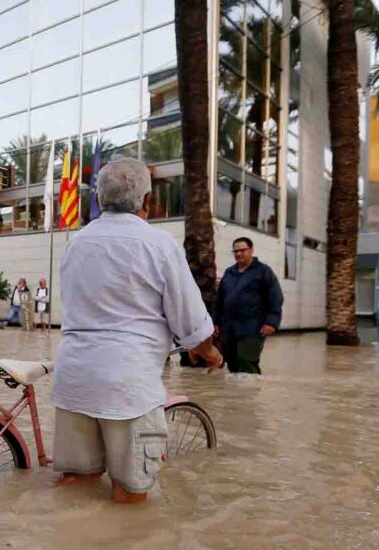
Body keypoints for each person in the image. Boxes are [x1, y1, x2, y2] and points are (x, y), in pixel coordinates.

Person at [52, 158, 223, 505]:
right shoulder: (158, 244)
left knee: (77, 486)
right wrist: (209, 351)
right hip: (127, 388)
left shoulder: (76, 243)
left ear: (99, 199)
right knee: (129, 495)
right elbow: (191, 319)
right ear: (146, 200)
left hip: (73, 379)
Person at [215, 236, 283, 375]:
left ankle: (250, 395)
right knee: (232, 363)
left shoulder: (263, 271)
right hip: (229, 328)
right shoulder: (229, 272)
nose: (239, 254)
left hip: (253, 328)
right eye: (235, 251)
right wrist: (215, 322)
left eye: (242, 250)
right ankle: (235, 395)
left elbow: (275, 297)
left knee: (247, 362)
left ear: (251, 251)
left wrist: (271, 322)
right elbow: (220, 300)